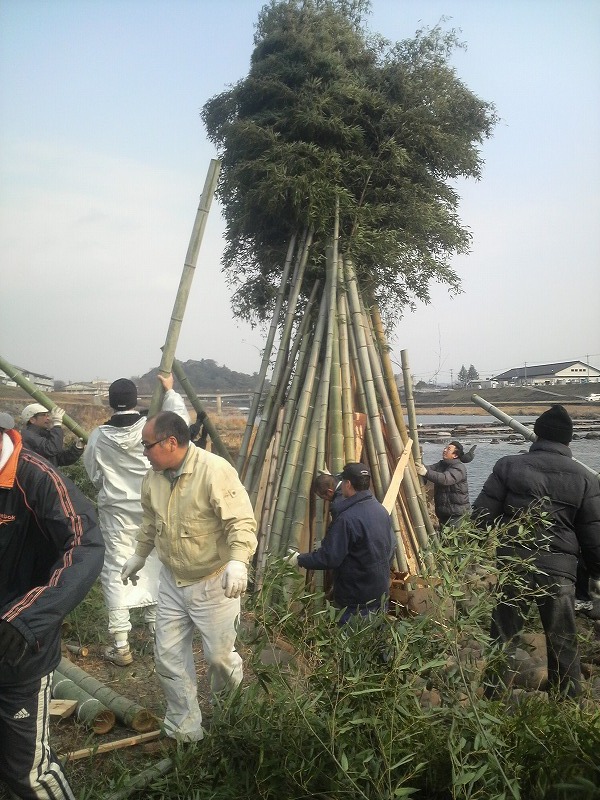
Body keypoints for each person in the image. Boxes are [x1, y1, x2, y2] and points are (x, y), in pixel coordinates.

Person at [121, 410, 257, 743]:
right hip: (173, 580)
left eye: (147, 445)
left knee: (219, 658)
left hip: (213, 581)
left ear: (170, 442)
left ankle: (230, 721)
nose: (144, 452)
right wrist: (139, 555)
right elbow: (150, 522)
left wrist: (238, 561)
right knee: (168, 655)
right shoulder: (153, 478)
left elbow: (240, 522)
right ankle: (185, 727)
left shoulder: (214, 471)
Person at [0, 411, 104, 799]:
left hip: (18, 650)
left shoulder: (35, 478)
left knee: (27, 772)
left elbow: (84, 544)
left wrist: (27, 618)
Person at [472, 404, 600, 699]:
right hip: (559, 571)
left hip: (514, 564)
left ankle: (493, 699)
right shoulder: (585, 478)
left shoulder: (508, 466)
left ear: (537, 434)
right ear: (568, 440)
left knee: (503, 636)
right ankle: (566, 703)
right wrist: (595, 572)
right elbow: (593, 536)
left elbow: (480, 517)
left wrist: (472, 548)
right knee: (563, 640)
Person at [83, 373, 190, 666]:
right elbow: (180, 423)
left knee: (117, 568)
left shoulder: (98, 436)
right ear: (136, 400)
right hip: (152, 505)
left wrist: (107, 486)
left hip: (115, 512)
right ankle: (158, 634)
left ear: (110, 402)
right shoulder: (149, 429)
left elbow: (93, 473)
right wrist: (170, 392)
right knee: (155, 564)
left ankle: (121, 644)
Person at [287, 462, 395, 624]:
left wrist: (299, 559)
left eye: (342, 481)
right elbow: (391, 546)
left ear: (348, 484)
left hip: (356, 600)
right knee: (375, 637)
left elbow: (329, 558)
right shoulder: (380, 510)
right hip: (380, 594)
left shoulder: (347, 518)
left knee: (352, 638)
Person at [415, 440, 474, 527]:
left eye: (448, 449)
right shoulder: (441, 464)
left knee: (455, 534)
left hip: (457, 514)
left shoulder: (459, 468)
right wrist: (418, 462)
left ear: (455, 455)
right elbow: (428, 469)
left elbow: (446, 479)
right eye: (445, 448)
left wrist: (426, 473)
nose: (445, 450)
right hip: (443, 513)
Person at [21, 402, 84, 467]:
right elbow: (51, 449)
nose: (48, 418)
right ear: (32, 420)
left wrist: (77, 448)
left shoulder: (45, 435)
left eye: (48, 415)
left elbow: (62, 459)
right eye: (44, 415)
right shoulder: (27, 436)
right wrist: (57, 425)